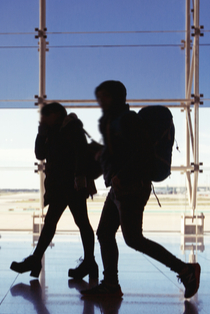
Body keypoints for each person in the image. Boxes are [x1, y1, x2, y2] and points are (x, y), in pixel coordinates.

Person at [81, 80, 200, 299]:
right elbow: (115, 157)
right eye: (99, 96)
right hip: (119, 188)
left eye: (105, 96)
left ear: (117, 97)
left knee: (133, 238)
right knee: (105, 233)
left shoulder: (128, 120)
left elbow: (142, 154)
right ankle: (111, 285)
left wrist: (120, 175)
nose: (100, 100)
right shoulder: (115, 122)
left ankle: (186, 270)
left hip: (132, 187)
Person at [11, 102, 98, 280]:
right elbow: (40, 154)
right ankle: (89, 262)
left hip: (72, 184)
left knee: (73, 222)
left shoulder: (72, 127)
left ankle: (37, 260)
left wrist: (80, 177)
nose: (42, 118)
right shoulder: (51, 131)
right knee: (70, 222)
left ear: (57, 114)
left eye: (45, 114)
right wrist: (40, 133)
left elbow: (81, 152)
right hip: (60, 184)